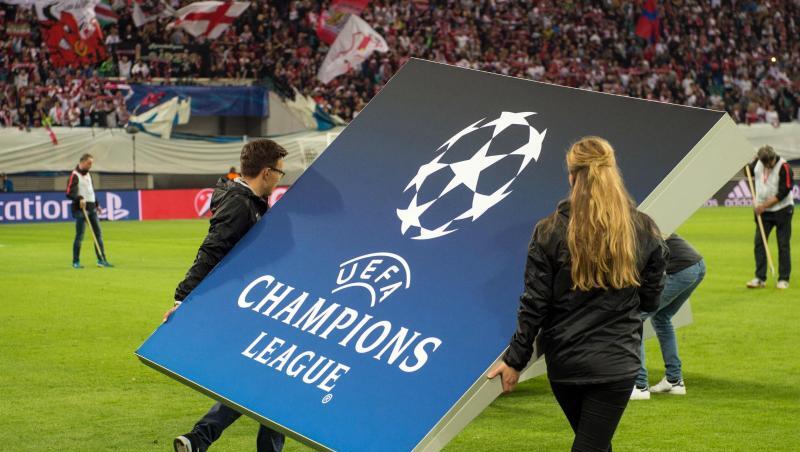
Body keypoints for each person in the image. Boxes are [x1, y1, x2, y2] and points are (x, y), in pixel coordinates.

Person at [488, 137, 667, 452]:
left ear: (572, 177)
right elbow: (651, 298)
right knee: (595, 445)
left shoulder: (549, 231)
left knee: (591, 445)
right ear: (612, 173)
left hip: (567, 363)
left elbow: (534, 303)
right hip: (616, 361)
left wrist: (516, 359)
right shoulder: (642, 228)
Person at [163, 139, 288, 452]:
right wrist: (182, 299)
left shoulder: (251, 201)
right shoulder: (239, 204)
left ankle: (199, 439)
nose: (280, 179)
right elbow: (211, 250)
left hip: (256, 303)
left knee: (267, 383)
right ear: (266, 172)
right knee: (272, 383)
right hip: (243, 307)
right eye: (280, 172)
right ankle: (200, 437)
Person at [631, 234, 705, 400]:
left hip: (680, 269)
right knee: (662, 318)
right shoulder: (646, 223)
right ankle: (674, 381)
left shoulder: (631, 227)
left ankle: (640, 385)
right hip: (696, 266)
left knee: (635, 319)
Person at [745, 145, 794, 289]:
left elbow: (784, 192)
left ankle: (783, 279)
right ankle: (760, 278)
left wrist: (764, 205)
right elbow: (747, 172)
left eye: (769, 162)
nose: (768, 166)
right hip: (763, 213)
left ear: (773, 157)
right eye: (765, 163)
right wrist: (744, 162)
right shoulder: (758, 163)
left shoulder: (784, 167)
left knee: (783, 244)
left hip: (783, 210)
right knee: (759, 244)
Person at [66, 153, 113, 268]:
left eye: (91, 163)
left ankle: (101, 259)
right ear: (82, 162)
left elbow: (90, 191)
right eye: (89, 163)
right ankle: (76, 262)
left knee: (98, 234)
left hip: (92, 209)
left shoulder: (88, 175)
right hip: (80, 209)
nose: (90, 166)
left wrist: (97, 204)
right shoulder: (74, 175)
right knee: (80, 236)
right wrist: (79, 198)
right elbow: (69, 193)